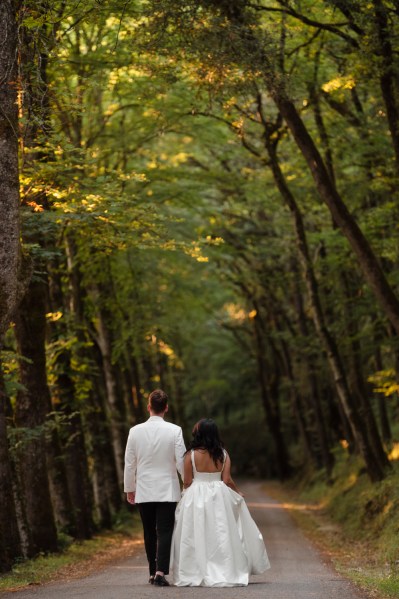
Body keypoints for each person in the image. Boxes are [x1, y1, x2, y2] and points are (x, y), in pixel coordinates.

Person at [170, 418, 270, 587]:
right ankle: (223, 567)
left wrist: (187, 493)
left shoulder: (190, 455)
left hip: (196, 493)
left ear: (200, 434)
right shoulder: (223, 454)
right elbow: (227, 479)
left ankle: (195, 569)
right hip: (219, 494)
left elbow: (187, 481)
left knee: (195, 531)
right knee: (220, 531)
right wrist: (237, 491)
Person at [124, 389, 186, 587]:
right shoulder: (175, 430)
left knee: (149, 530)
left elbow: (130, 464)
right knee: (165, 530)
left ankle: (152, 571)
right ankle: (161, 572)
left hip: (144, 488)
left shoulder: (135, 431)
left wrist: (129, 488)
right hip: (167, 488)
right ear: (166, 408)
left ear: (149, 407)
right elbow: (180, 461)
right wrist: (188, 483)